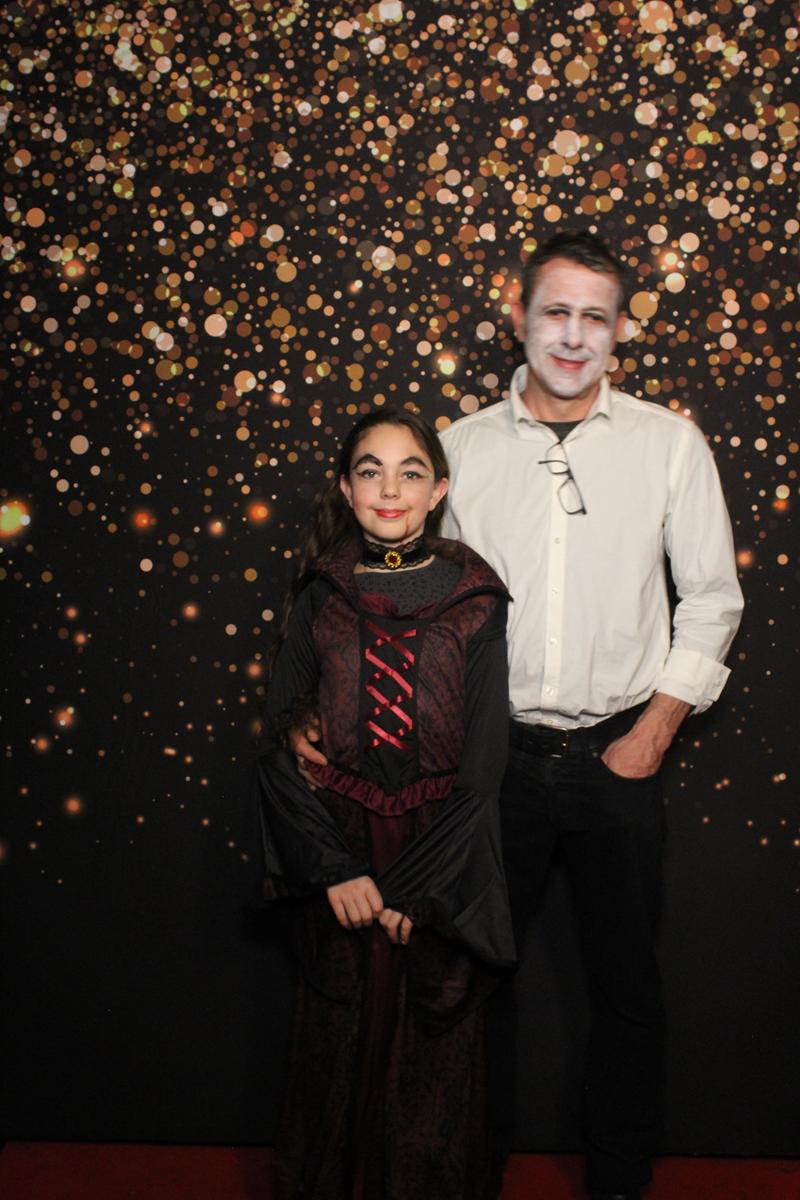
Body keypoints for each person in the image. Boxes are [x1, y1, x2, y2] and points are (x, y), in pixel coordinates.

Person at [436, 231, 745, 1200]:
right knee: (472, 984)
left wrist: (653, 732)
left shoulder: (667, 443)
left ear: (619, 332)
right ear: (519, 317)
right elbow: (424, 609)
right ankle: (468, 1171)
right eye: (556, 313)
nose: (573, 336)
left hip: (618, 756)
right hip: (493, 761)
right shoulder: (458, 450)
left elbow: (713, 598)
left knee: (626, 989)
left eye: (594, 318)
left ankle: (617, 1181)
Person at [257, 409, 515, 1200]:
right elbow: (278, 745)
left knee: (431, 1045)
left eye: (411, 472)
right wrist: (334, 869)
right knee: (339, 1029)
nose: (390, 489)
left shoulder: (477, 596)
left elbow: (484, 769)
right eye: (371, 471)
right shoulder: (323, 591)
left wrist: (417, 888)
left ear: (438, 490)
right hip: (343, 841)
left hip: (440, 848)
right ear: (346, 487)